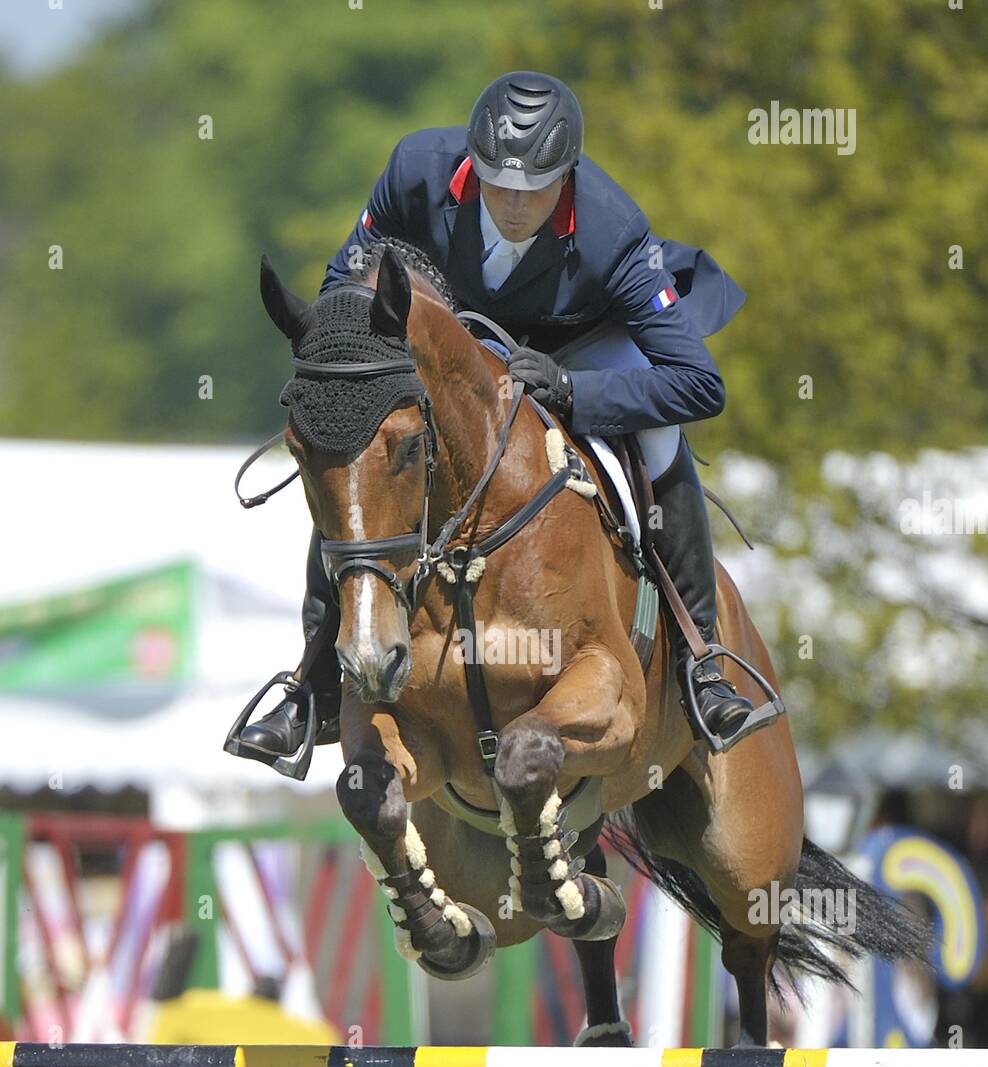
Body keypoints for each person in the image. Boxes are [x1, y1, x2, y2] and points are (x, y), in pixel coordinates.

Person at [235, 70, 753, 769]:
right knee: (358, 446)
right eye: (495, 183)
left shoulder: (612, 231)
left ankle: (701, 662)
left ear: (566, 175)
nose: (511, 203)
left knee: (659, 434)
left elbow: (697, 383)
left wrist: (572, 390)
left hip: (579, 347)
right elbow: (342, 292)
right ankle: (312, 686)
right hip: (455, 349)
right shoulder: (414, 172)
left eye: (534, 188)